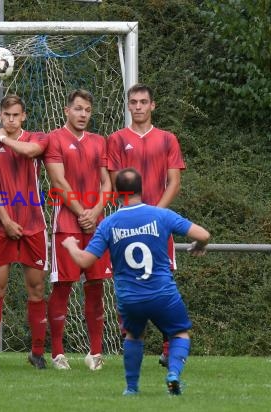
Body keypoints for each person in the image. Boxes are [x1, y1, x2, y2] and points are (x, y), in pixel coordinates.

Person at [62, 167, 210, 396]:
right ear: (142, 189)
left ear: (118, 194)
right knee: (179, 334)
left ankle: (131, 388)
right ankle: (173, 374)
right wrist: (198, 246)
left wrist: (71, 245)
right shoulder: (162, 215)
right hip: (163, 293)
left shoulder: (109, 224)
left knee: (133, 336)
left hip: (130, 298)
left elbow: (84, 260)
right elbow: (204, 235)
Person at [107, 83, 186, 367]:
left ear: (153, 105)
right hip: (126, 224)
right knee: (126, 281)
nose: (138, 106)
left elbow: (174, 182)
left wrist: (156, 216)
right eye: (133, 102)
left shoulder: (167, 139)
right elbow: (117, 183)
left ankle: (167, 348)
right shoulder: (116, 139)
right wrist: (135, 214)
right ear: (128, 106)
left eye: (143, 102)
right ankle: (131, 338)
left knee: (163, 282)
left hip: (159, 223)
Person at [0, 94, 49, 370]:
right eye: (6, 115)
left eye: (16, 115)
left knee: (37, 289)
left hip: (33, 224)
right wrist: (5, 219)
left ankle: (38, 353)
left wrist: (4, 139)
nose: (11, 119)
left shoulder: (38, 138)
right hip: (0, 225)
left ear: (24, 116)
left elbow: (31, 152)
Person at [44, 89, 112, 371]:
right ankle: (58, 353)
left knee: (96, 288)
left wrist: (95, 213)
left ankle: (94, 353)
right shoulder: (55, 139)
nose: (83, 114)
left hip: (96, 225)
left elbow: (107, 184)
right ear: (66, 110)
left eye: (87, 110)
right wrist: (82, 213)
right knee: (62, 288)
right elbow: (58, 181)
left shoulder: (100, 142)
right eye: (78, 109)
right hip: (67, 225)